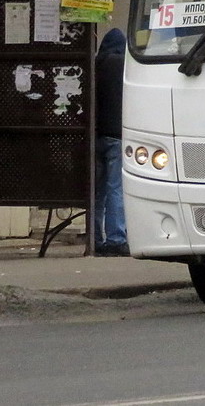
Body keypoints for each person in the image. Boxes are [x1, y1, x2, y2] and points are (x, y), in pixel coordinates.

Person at [94, 28, 129, 256]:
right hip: (118, 136)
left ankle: (95, 238)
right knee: (116, 188)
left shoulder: (96, 65)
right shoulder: (126, 67)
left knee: (97, 191)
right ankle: (116, 238)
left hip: (96, 136)